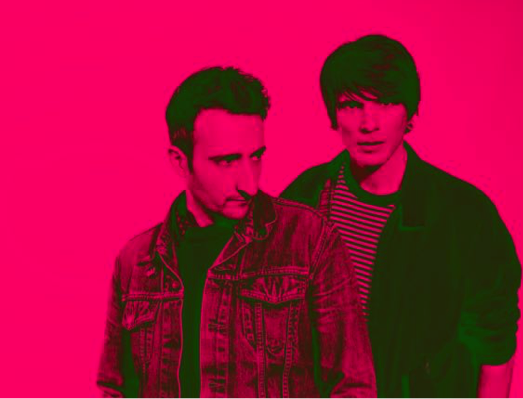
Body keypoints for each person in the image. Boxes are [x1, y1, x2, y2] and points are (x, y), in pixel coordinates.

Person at [97, 67, 376, 399]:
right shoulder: (136, 262)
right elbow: (114, 389)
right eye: (226, 161)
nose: (249, 184)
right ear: (180, 162)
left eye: (255, 157)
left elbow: (353, 387)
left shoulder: (309, 240)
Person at [281, 34, 522, 399]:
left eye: (386, 102)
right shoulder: (305, 199)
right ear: (333, 115)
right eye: (352, 105)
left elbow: (494, 347)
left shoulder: (464, 215)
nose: (369, 123)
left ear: (409, 112)